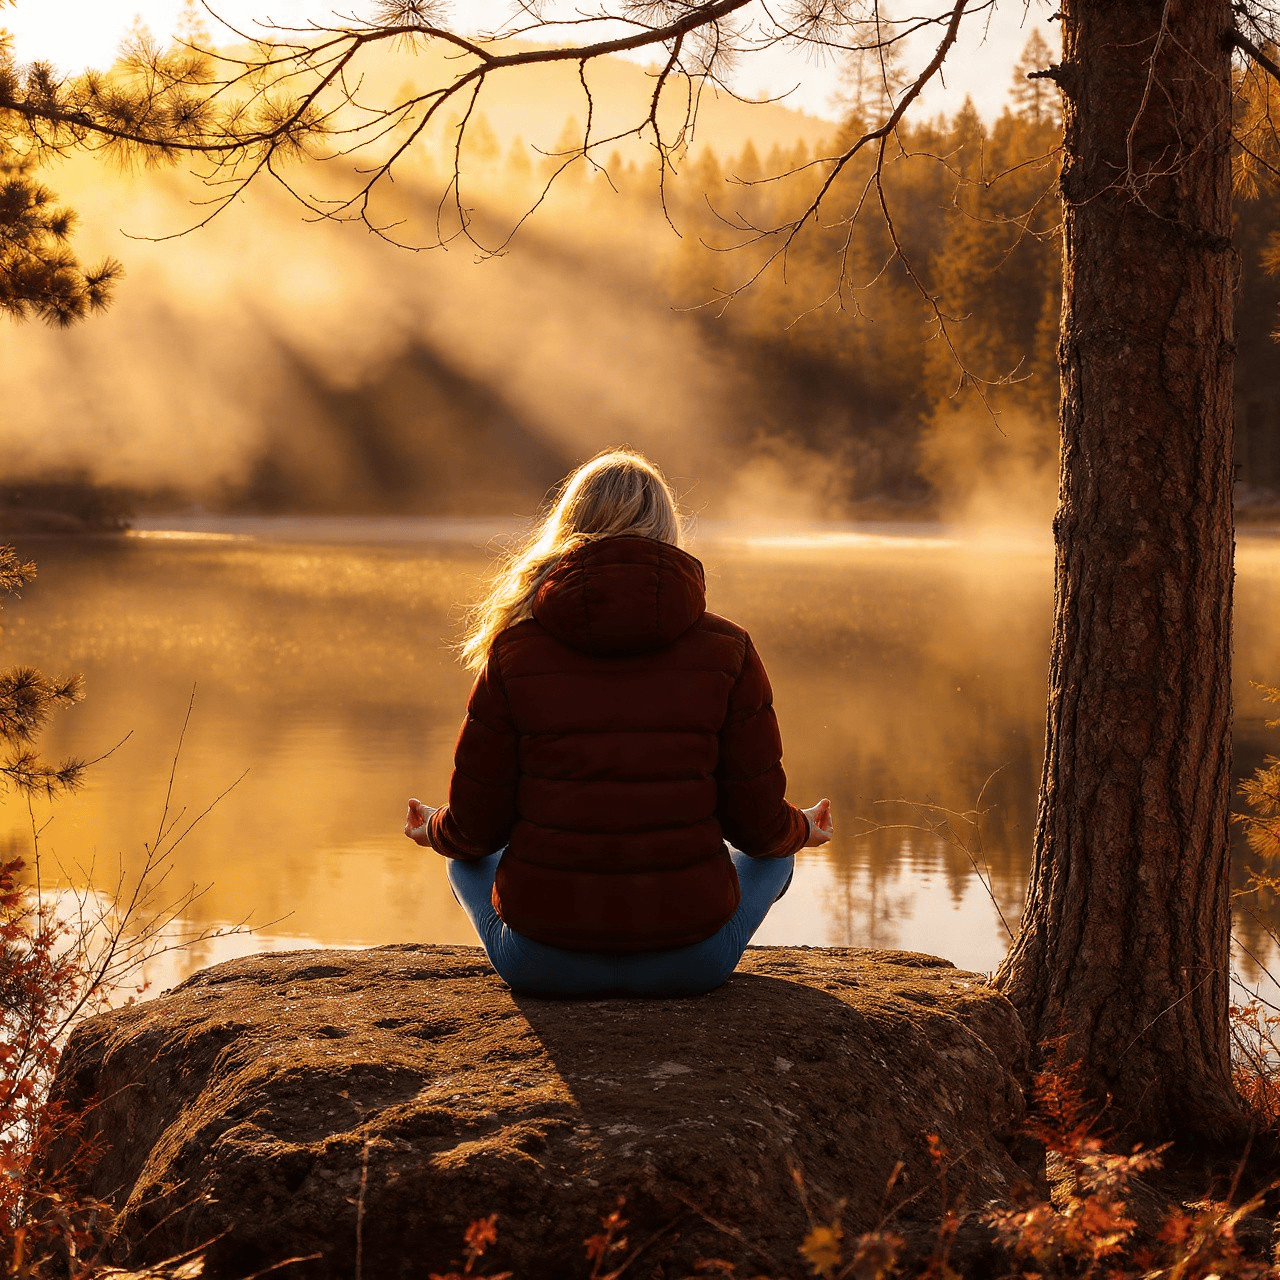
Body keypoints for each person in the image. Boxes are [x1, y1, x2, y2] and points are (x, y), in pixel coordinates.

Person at [405, 448, 833, 996]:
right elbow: (758, 828)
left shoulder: (514, 653)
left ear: (568, 530)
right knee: (775, 858)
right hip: (692, 963)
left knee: (463, 860)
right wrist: (802, 829)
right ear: (668, 531)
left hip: (542, 964)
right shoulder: (729, 649)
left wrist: (433, 828)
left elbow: (475, 830)